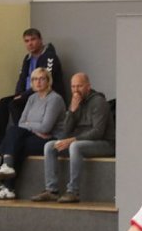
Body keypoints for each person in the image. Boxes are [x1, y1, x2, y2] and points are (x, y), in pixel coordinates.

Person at [31, 72, 114, 204]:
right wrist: (72, 111)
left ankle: (73, 191)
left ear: (88, 86)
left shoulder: (99, 102)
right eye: (73, 86)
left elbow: (98, 132)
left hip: (105, 143)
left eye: (79, 86)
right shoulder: (75, 102)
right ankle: (51, 190)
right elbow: (64, 132)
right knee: (50, 146)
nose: (76, 90)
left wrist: (73, 140)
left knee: (75, 146)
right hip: (82, 141)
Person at [0, 67, 66, 200]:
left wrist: (30, 125)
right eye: (35, 79)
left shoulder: (55, 99)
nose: (38, 82)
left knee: (15, 143)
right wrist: (35, 128)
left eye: (42, 79)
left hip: (51, 139)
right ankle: (7, 173)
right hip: (35, 136)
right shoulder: (32, 98)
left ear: (49, 81)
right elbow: (21, 122)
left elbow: (46, 127)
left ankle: (8, 183)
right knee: (15, 135)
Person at [0, 28, 65, 153]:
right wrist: (18, 94)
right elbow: (22, 78)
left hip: (44, 95)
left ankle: (21, 135)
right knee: (3, 102)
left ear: (40, 40)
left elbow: (44, 81)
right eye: (27, 41)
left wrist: (23, 96)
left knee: (14, 104)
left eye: (33, 39)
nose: (30, 43)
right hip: (28, 94)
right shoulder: (27, 58)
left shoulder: (50, 56)